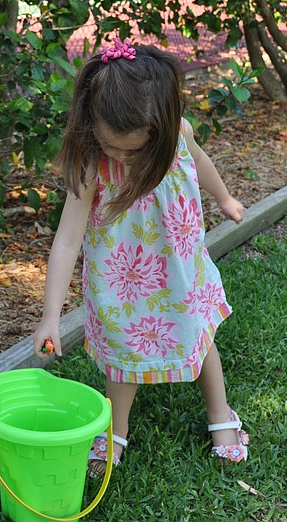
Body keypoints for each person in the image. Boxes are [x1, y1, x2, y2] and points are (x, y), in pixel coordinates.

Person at [32, 38, 249, 473]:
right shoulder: (94, 165)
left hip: (181, 271)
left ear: (162, 129)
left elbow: (201, 162)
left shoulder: (177, 137)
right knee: (121, 356)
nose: (120, 156)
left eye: (132, 149)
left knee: (199, 337)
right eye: (110, 143)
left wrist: (223, 197)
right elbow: (67, 240)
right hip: (122, 284)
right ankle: (115, 431)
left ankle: (220, 414)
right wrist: (50, 315)